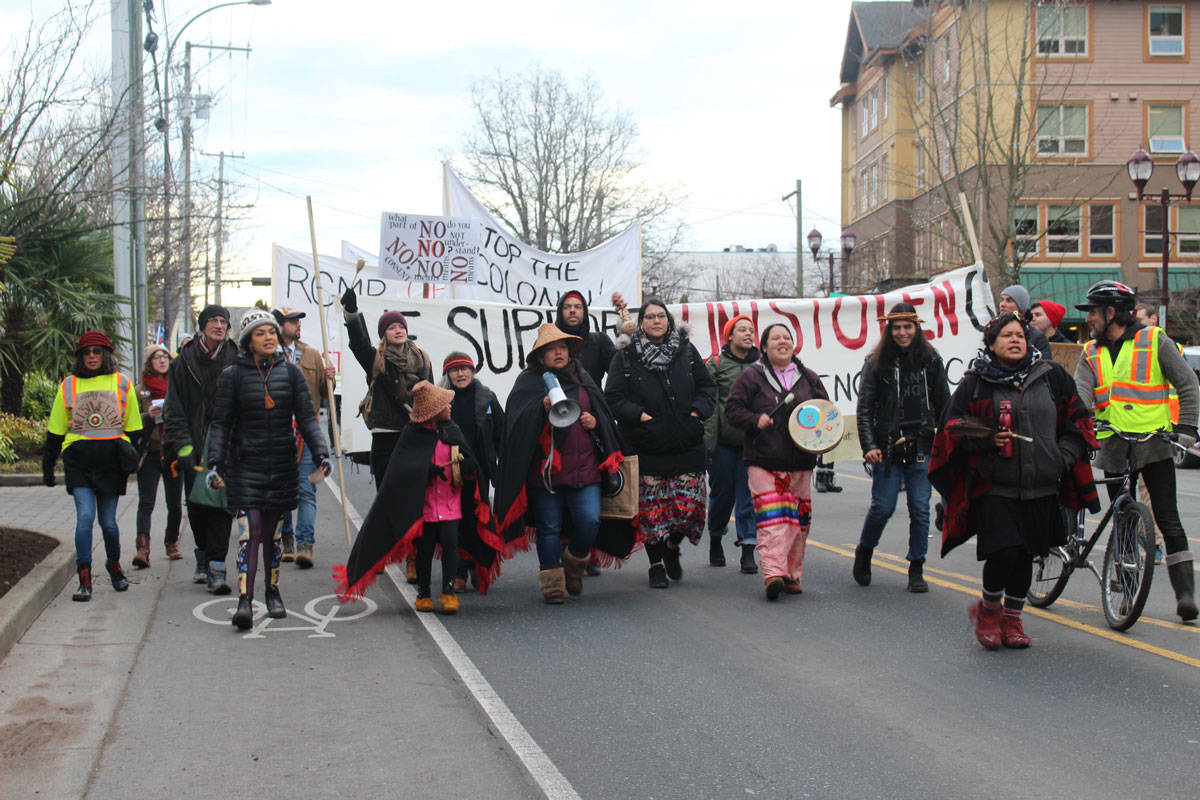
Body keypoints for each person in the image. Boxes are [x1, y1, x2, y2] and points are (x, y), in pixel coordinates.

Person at [932, 312, 1098, 649]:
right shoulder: (976, 382)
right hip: (995, 485)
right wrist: (985, 440)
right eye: (1006, 335)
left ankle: (1013, 620)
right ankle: (989, 613)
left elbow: (1078, 421)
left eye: (1020, 334)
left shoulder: (1052, 377)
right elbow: (952, 428)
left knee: (1027, 554)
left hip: (1041, 485)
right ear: (991, 344)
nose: (1015, 340)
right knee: (1004, 551)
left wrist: (1062, 457)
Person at [1073, 280, 1199, 621]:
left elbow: (1188, 384)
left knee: (1168, 518)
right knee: (1124, 519)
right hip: (1114, 447)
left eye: (1094, 314)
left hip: (1153, 444)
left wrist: (1186, 429)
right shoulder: (1091, 352)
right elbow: (1080, 398)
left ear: (1112, 313)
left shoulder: (1154, 341)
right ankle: (1125, 592)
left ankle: (1185, 595)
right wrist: (1079, 429)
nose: (1090, 321)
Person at [206, 309, 331, 630]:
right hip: (244, 466)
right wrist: (215, 463)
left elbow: (307, 418)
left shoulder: (290, 374)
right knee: (250, 534)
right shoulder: (232, 376)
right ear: (249, 341)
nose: (269, 337)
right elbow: (220, 424)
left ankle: (272, 592)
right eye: (261, 333)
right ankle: (244, 601)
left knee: (273, 538)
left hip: (281, 466)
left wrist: (321, 453)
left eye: (272, 332)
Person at [493, 324, 636, 602]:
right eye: (551, 349)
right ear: (540, 355)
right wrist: (539, 410)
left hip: (585, 469)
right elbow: (516, 423)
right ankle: (552, 584)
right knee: (548, 527)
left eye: (562, 348)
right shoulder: (529, 382)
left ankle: (574, 562)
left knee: (590, 521)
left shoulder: (582, 377)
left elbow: (603, 415)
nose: (558, 353)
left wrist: (595, 423)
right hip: (545, 473)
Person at [336, 381, 507, 613]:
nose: (450, 408)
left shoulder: (452, 430)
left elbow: (469, 462)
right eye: (446, 405)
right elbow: (402, 469)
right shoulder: (412, 434)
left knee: (450, 543)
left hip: (450, 503)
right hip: (425, 506)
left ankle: (447, 591)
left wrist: (468, 467)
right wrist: (424, 470)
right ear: (435, 410)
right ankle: (424, 593)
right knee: (425, 549)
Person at [606, 300, 716, 589]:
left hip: (687, 443)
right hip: (647, 446)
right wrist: (639, 416)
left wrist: (696, 413)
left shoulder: (687, 351)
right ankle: (656, 565)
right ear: (640, 323)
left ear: (669, 320)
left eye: (661, 316)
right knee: (652, 513)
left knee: (689, 508)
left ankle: (671, 547)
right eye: (650, 316)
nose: (656, 320)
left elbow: (707, 388)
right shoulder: (625, 356)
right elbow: (614, 398)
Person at [723, 324, 828, 600]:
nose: (782, 342)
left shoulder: (809, 379)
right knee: (772, 519)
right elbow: (732, 410)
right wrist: (754, 420)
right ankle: (773, 574)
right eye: (776, 338)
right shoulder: (751, 377)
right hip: (764, 459)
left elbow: (826, 415)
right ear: (765, 347)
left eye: (787, 337)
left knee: (798, 520)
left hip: (800, 461)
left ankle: (792, 575)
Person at [853, 303, 949, 593]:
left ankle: (916, 566)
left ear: (916, 328)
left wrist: (946, 443)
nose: (903, 332)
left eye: (908, 326)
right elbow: (865, 408)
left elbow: (944, 405)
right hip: (888, 447)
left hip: (922, 444)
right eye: (897, 327)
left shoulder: (931, 360)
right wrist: (869, 445)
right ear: (889, 330)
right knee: (883, 507)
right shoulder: (876, 363)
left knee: (920, 508)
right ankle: (865, 551)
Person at [42, 331, 143, 601]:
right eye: (87, 352)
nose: (92, 356)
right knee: (85, 518)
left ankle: (114, 566)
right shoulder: (69, 385)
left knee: (108, 523)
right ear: (79, 356)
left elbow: (134, 427)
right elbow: (55, 430)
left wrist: (134, 456)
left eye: (97, 351)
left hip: (111, 461)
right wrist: (48, 466)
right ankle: (84, 577)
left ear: (106, 354)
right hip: (79, 461)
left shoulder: (121, 383)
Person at [339, 288, 432, 583]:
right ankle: (378, 553)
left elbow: (430, 397)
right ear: (384, 334)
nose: (398, 330)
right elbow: (358, 342)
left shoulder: (422, 358)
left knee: (415, 500)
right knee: (386, 500)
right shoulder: (375, 359)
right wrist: (352, 315)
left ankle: (413, 558)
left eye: (401, 326)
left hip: (413, 437)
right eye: (392, 327)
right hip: (385, 438)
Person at [163, 304, 239, 593]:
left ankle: (217, 567)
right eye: (213, 321)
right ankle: (203, 554)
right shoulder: (183, 361)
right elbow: (174, 409)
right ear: (202, 326)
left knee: (220, 506)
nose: (219, 326)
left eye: (223, 321)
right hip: (193, 445)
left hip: (225, 443)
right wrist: (183, 448)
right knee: (196, 506)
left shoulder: (238, 357)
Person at [555, 289, 622, 577]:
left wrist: (601, 411)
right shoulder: (551, 342)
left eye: (578, 307)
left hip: (589, 424)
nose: (573, 311)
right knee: (561, 490)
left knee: (592, 488)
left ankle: (585, 549)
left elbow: (620, 372)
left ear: (585, 312)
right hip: (557, 425)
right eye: (568, 307)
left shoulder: (598, 342)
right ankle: (564, 545)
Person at [272, 306, 336, 569]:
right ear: (279, 325)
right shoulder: (266, 354)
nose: (297, 324)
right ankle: (286, 540)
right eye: (291, 320)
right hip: (276, 432)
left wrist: (330, 379)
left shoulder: (310, 354)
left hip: (306, 430)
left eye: (299, 320)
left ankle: (305, 545)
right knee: (283, 491)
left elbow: (324, 391)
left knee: (306, 490)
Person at [440, 351, 505, 592]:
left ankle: (479, 565)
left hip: (479, 471)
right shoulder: (441, 400)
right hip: (450, 472)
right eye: (455, 369)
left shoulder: (487, 398)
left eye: (464, 368)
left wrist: (499, 465)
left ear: (472, 371)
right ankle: (458, 571)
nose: (460, 373)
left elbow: (501, 433)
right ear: (447, 374)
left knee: (477, 519)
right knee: (454, 523)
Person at [703, 314, 761, 572]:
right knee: (722, 496)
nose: (748, 334)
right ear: (730, 336)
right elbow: (711, 409)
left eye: (751, 330)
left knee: (748, 497)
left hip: (753, 445)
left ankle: (748, 548)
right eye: (742, 330)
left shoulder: (762, 365)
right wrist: (709, 447)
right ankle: (716, 537)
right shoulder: (715, 365)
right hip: (723, 445)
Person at [132, 344, 184, 568]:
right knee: (146, 502)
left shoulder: (178, 386)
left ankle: (171, 542)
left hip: (172, 451)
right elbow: (130, 421)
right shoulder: (139, 390)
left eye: (165, 356)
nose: (162, 360)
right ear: (149, 362)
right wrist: (147, 416)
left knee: (175, 503)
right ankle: (142, 549)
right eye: (156, 357)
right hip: (150, 453)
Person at [997, 284, 1052, 360]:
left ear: (1020, 306)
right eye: (1002, 300)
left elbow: (1045, 368)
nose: (1002, 304)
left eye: (1009, 301)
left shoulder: (1037, 337)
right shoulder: (990, 331)